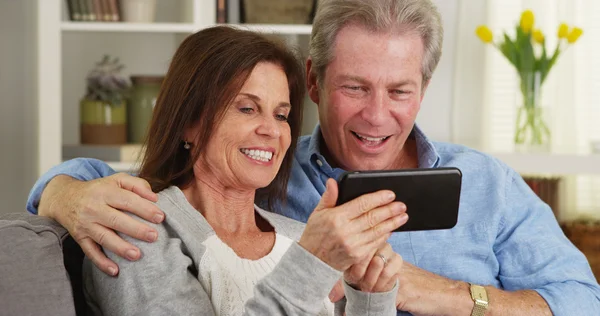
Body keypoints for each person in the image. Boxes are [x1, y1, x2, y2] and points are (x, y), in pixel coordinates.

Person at [27, 0, 600, 315]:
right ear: (316, 81)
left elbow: (580, 302)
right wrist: (61, 193)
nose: (377, 117)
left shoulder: (487, 183)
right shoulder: (268, 179)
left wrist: (436, 294)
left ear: (423, 90)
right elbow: (129, 184)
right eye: (354, 88)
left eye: (399, 91)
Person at [82, 25, 406, 315]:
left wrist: (371, 297)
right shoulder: (134, 229)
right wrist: (312, 263)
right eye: (247, 108)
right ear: (189, 125)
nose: (271, 130)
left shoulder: (298, 238)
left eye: (281, 115)